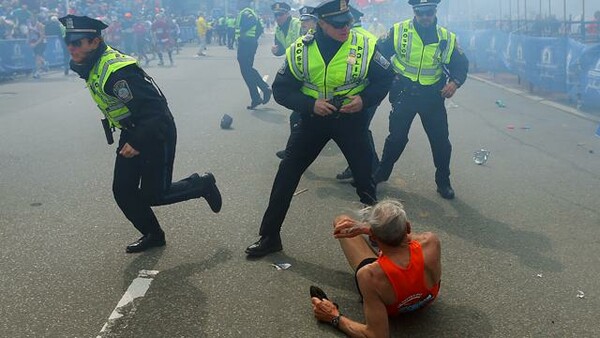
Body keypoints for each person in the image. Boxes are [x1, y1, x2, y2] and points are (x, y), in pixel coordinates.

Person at [58, 15, 222, 253]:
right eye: (68, 42)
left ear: (95, 42)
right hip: (133, 129)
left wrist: (136, 141)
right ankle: (153, 235)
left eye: (77, 43)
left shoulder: (117, 71)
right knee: (123, 190)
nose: (71, 48)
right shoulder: (92, 61)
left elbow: (156, 110)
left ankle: (202, 184)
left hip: (155, 130)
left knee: (155, 194)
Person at [245, 0, 395, 258]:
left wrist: (365, 100)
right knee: (286, 176)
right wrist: (310, 105)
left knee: (365, 182)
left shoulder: (364, 45)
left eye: (347, 22)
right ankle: (269, 236)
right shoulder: (300, 50)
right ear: (321, 23)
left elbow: (385, 77)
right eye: (338, 24)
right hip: (313, 121)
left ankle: (381, 238)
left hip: (350, 120)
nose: (345, 28)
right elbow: (280, 89)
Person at [374, 0, 469, 200]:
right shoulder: (399, 31)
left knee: (441, 142)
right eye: (420, 12)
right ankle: (382, 173)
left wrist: (455, 83)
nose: (425, 17)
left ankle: (443, 181)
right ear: (414, 12)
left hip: (432, 97)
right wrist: (389, 74)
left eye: (429, 12)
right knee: (396, 138)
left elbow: (461, 63)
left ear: (435, 12)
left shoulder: (447, 37)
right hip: (404, 93)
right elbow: (378, 53)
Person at [310, 199, 441, 337]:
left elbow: (376, 335)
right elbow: (408, 238)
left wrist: (333, 317)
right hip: (427, 298)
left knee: (341, 221)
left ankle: (382, 250)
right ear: (407, 227)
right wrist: (370, 229)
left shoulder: (369, 275)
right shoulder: (431, 241)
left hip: (394, 308)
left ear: (372, 236)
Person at [335, 5, 380, 181]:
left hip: (360, 95)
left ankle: (367, 170)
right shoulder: (370, 37)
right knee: (359, 131)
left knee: (357, 132)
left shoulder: (352, 39)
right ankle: (367, 167)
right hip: (369, 95)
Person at [274, 5, 318, 159]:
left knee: (349, 135)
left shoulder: (316, 38)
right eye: (302, 20)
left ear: (316, 22)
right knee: (299, 119)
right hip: (308, 86)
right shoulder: (304, 36)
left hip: (322, 90)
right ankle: (294, 152)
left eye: (307, 20)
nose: (303, 23)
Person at [235, 0, 272, 110]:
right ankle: (257, 96)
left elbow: (252, 22)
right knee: (247, 70)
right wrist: (253, 39)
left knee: (246, 70)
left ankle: (263, 90)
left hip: (246, 44)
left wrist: (243, 33)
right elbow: (260, 28)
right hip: (248, 43)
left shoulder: (246, 12)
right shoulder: (251, 12)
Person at [28, 14, 46, 79]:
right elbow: (29, 33)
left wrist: (35, 44)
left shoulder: (40, 25)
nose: (31, 19)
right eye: (30, 18)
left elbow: (42, 36)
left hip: (41, 43)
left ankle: (37, 72)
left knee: (37, 57)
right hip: (34, 41)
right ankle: (45, 63)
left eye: (33, 18)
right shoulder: (29, 25)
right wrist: (28, 41)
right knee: (37, 57)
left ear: (35, 19)